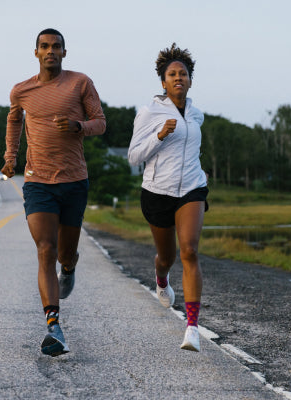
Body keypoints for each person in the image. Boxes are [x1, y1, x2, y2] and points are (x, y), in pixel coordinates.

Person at [1, 28, 106, 357]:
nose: (50, 51)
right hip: (38, 181)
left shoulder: (80, 83)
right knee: (45, 248)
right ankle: (54, 327)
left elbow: (100, 122)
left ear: (64, 51)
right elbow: (14, 120)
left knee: (64, 253)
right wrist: (10, 159)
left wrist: (79, 127)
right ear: (36, 52)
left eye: (56, 47)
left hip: (74, 181)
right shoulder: (22, 90)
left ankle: (70, 268)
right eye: (44, 46)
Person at [128, 43, 208, 352]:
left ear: (190, 80)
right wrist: (159, 135)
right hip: (157, 192)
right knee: (168, 257)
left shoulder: (197, 115)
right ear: (163, 81)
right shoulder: (150, 113)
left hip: (191, 189)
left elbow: (191, 150)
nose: (178, 78)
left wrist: (200, 173)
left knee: (189, 251)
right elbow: (134, 156)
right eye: (172, 74)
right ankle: (161, 277)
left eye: (183, 74)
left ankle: (192, 328)